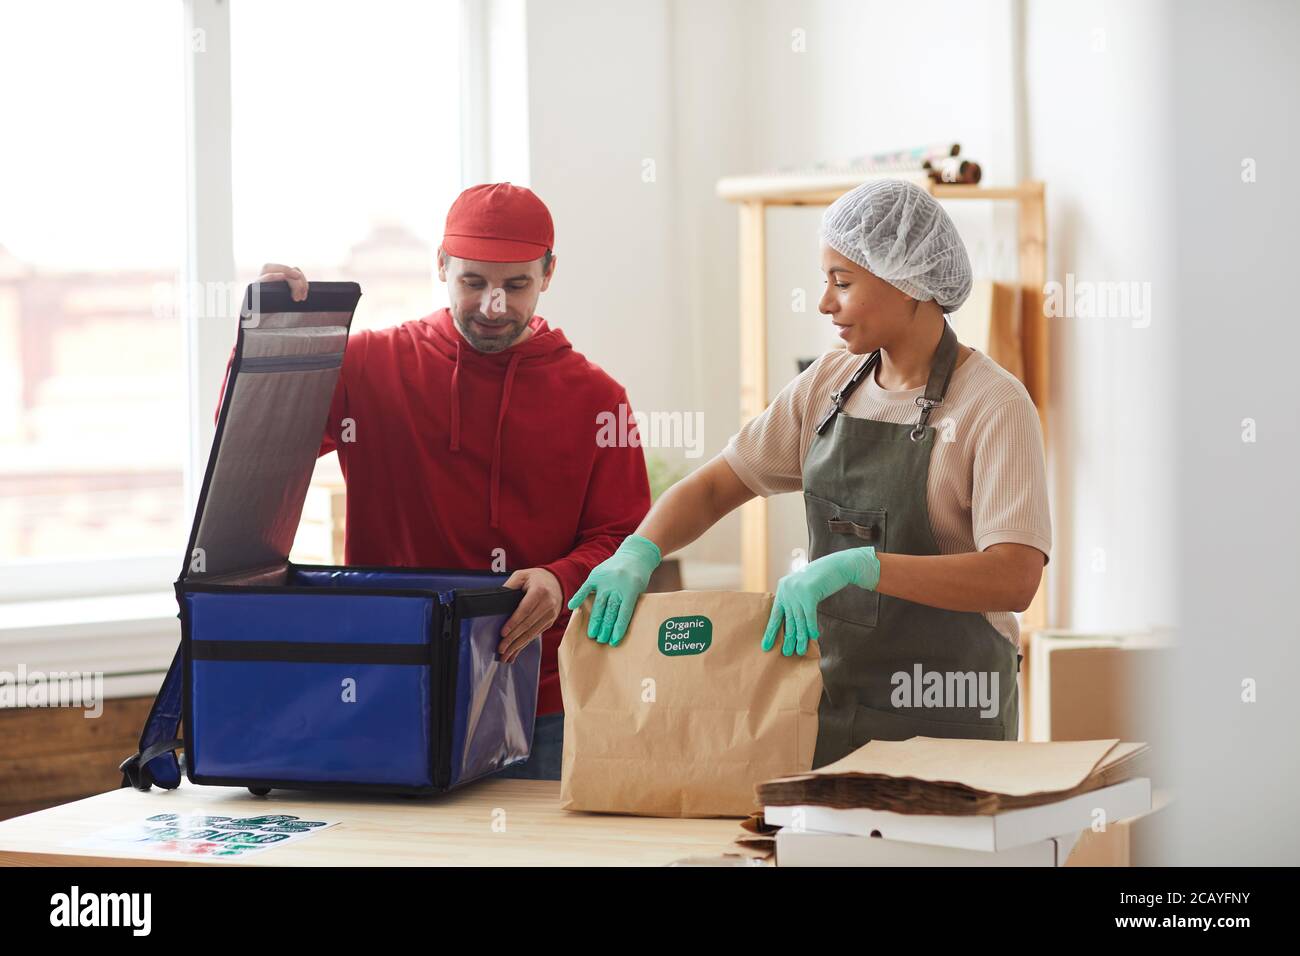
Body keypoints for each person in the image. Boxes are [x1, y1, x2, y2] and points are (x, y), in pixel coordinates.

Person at [567, 179, 1050, 767]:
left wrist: (863, 567)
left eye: (842, 283)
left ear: (909, 284)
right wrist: (639, 551)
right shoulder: (829, 384)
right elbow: (720, 484)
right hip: (829, 706)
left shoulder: (992, 405)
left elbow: (1015, 576)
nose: (825, 304)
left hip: (949, 716)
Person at [240, 183, 651, 779]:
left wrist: (562, 579)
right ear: (441, 265)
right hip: (394, 683)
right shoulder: (367, 367)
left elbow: (625, 538)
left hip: (541, 700)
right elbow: (255, 443)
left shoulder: (598, 398)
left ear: (549, 273)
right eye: (473, 283)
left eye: (516, 286)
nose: (493, 305)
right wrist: (270, 335)